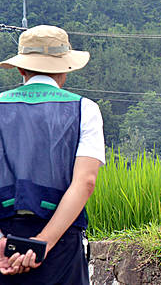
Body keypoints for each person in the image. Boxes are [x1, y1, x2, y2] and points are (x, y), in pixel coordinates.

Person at [0, 25, 105, 284]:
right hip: (61, 245)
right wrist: (42, 243)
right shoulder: (85, 110)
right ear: (65, 69)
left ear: (21, 68)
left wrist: (2, 244)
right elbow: (85, 182)